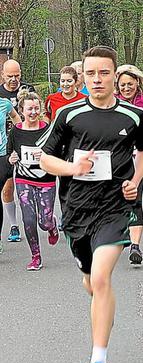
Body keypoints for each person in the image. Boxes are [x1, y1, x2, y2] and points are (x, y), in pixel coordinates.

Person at [38, 46, 143, 363]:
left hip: (115, 208)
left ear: (114, 75)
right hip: (76, 212)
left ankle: (98, 362)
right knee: (92, 284)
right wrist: (72, 168)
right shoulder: (68, 115)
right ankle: (102, 309)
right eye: (91, 74)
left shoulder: (133, 116)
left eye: (104, 73)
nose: (97, 80)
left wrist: (135, 180)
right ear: (83, 76)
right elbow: (44, 159)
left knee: (102, 279)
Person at [7, 90, 58, 270]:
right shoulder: (15, 131)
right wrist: (11, 159)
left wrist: (45, 155)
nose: (33, 112)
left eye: (37, 108)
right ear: (22, 110)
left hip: (46, 179)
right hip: (23, 179)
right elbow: (10, 153)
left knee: (44, 222)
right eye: (30, 109)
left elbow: (57, 153)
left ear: (41, 109)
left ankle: (52, 225)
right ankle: (35, 256)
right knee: (28, 220)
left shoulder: (48, 130)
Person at [115, 64, 143, 264]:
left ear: (137, 83)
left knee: (135, 199)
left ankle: (135, 246)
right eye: (122, 85)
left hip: (138, 158)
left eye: (130, 84)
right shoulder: (112, 103)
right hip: (116, 160)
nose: (126, 88)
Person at [1, 59, 35, 243]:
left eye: (17, 75)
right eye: (10, 76)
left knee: (30, 186)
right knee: (8, 187)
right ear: (3, 75)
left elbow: (38, 111)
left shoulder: (29, 89)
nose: (14, 79)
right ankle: (14, 225)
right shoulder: (0, 95)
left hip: (26, 144)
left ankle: (41, 218)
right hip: (6, 148)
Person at [0, 93, 21, 253]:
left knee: (6, 192)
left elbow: (16, 118)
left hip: (2, 156)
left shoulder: (4, 103)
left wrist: (16, 139)